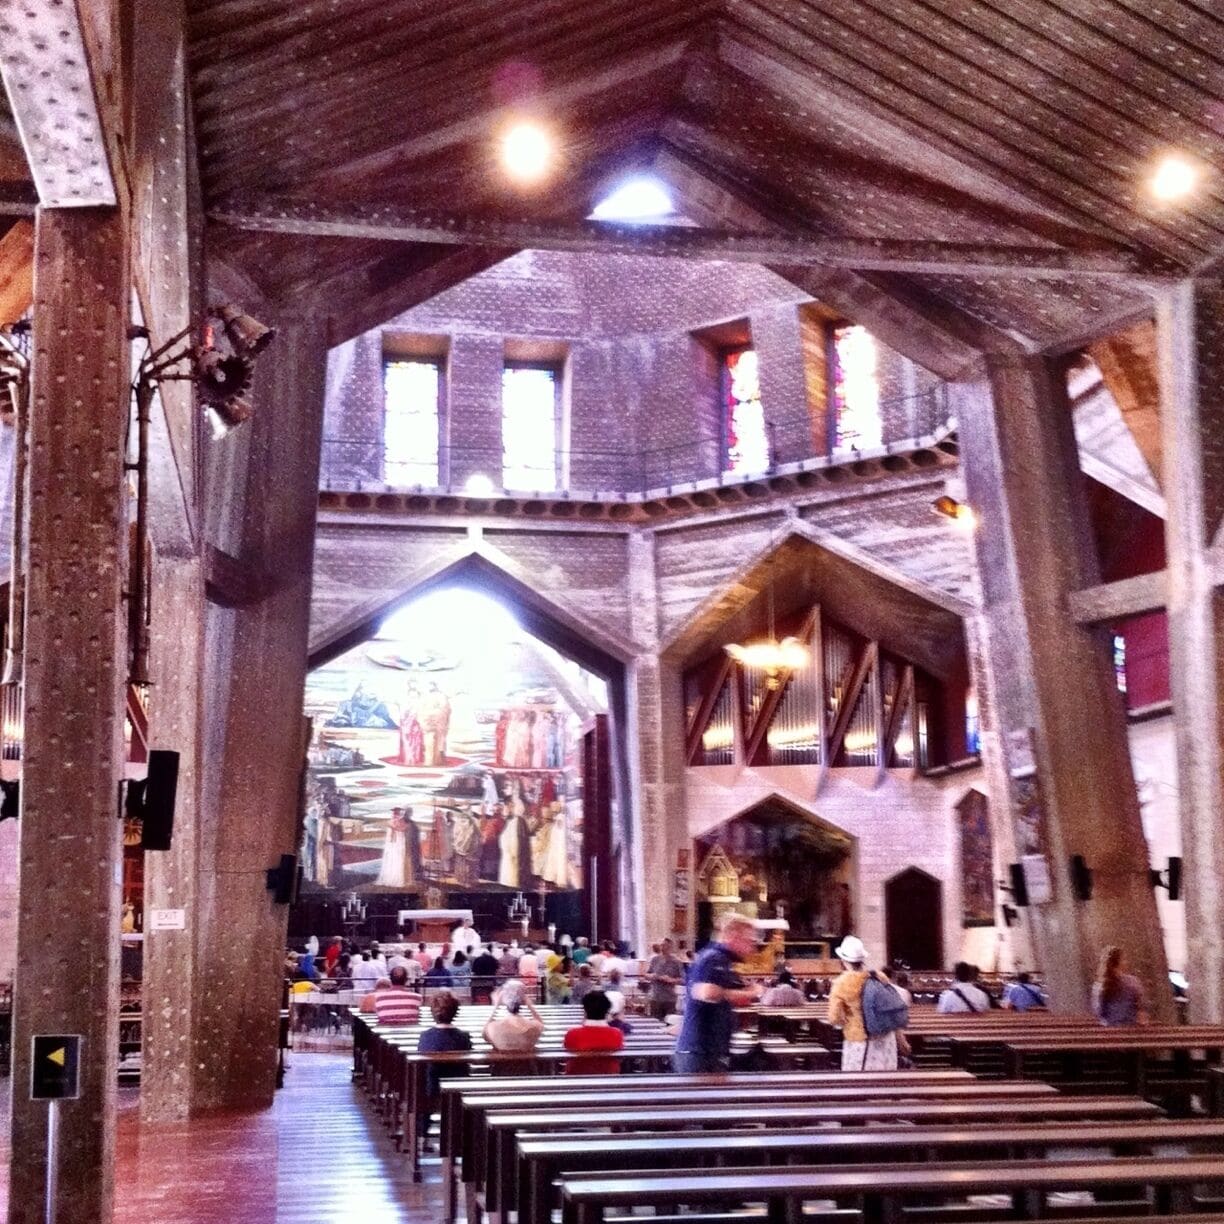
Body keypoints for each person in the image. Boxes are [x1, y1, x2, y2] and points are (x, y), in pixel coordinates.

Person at [673, 913, 763, 1073]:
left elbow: (722, 992)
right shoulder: (714, 958)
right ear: (733, 936)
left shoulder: (722, 960)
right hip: (700, 1052)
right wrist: (750, 993)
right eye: (748, 941)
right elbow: (705, 992)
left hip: (710, 1050)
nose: (752, 948)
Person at [828, 936, 902, 1071]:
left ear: (843, 960)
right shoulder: (879, 976)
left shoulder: (841, 983)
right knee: (884, 1080)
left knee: (859, 1080)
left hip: (859, 1040)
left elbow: (834, 1018)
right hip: (885, 1038)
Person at [563, 990, 624, 1072]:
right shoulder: (617, 1034)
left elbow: (567, 1053)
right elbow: (619, 1058)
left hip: (576, 1075)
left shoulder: (572, 1034)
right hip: (608, 1076)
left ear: (585, 1010)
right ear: (607, 1010)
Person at [1092, 945, 1149, 1025]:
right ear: (1119, 963)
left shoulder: (1099, 986)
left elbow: (1098, 1012)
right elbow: (1141, 1007)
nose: (1127, 962)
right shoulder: (1132, 982)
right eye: (1124, 959)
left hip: (1109, 1030)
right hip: (1131, 1028)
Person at [482, 979, 545, 1051]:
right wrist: (530, 1006)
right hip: (527, 1058)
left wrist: (496, 1006)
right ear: (523, 1001)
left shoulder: (493, 1027)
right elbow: (541, 1025)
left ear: (503, 1000)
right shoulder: (534, 1027)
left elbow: (485, 1035)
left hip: (502, 1058)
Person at [645, 937, 685, 1021]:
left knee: (669, 1021)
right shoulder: (654, 960)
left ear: (670, 946)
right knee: (655, 1021)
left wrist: (671, 980)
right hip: (655, 997)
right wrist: (653, 976)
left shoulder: (676, 962)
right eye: (661, 945)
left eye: (664, 945)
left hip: (669, 998)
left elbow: (683, 980)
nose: (662, 947)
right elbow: (647, 974)